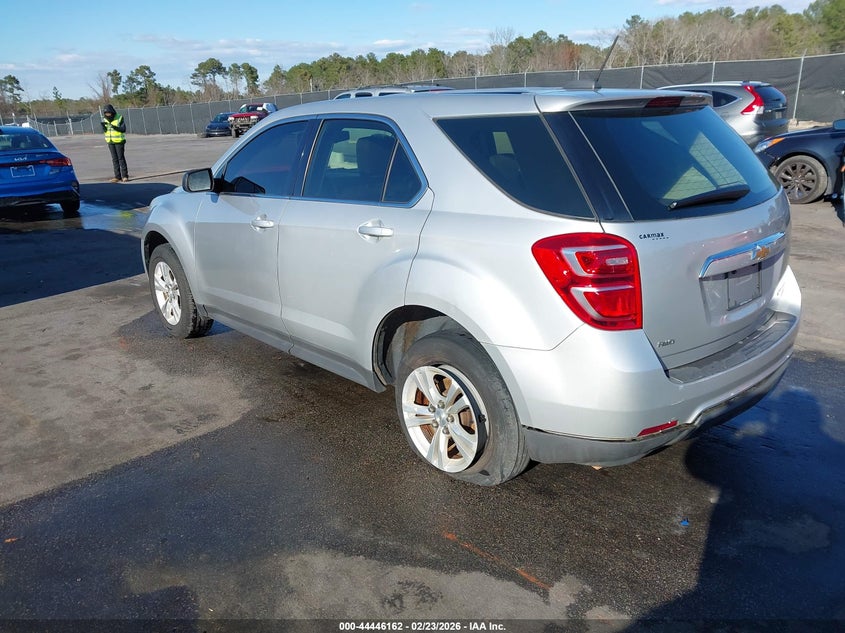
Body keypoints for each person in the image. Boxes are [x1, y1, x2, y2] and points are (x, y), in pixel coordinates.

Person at [101, 104, 129, 182]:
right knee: (114, 159)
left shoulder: (119, 117)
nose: (107, 115)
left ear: (112, 112)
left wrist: (115, 127)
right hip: (110, 141)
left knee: (121, 158)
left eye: (109, 113)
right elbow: (106, 131)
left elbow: (123, 129)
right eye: (106, 113)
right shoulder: (104, 119)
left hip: (119, 141)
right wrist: (103, 127)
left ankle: (125, 176)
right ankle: (117, 176)